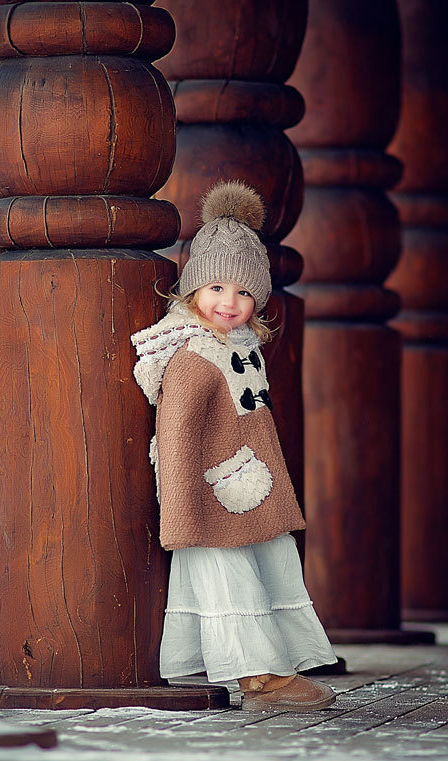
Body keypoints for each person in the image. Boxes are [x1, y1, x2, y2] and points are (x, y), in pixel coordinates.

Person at [131, 180, 338, 712]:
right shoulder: (193, 358)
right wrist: (180, 512)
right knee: (231, 584)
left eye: (245, 292)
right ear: (192, 288)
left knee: (262, 573)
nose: (230, 302)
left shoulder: (238, 347)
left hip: (242, 488)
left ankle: (269, 665)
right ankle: (260, 679)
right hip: (207, 499)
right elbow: (174, 437)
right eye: (217, 288)